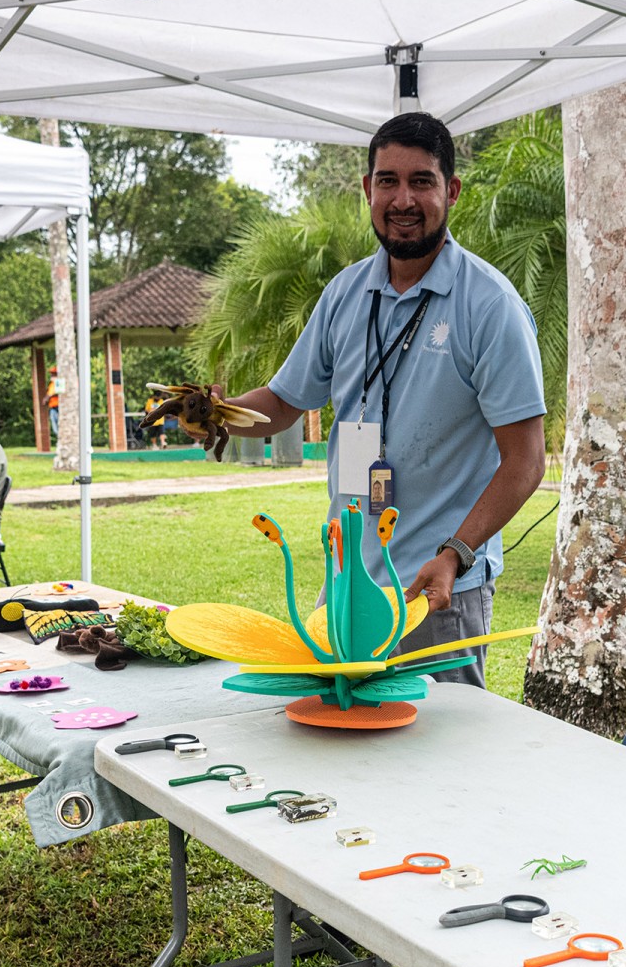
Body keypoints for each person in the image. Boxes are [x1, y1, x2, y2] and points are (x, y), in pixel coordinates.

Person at [222, 111, 547, 688]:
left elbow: (525, 463)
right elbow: (283, 401)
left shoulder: (490, 305)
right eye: (388, 181)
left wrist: (455, 554)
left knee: (436, 763)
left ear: (451, 190)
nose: (403, 198)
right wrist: (215, 415)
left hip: (434, 589)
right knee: (338, 748)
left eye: (421, 181)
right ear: (368, 189)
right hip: (344, 584)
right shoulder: (345, 293)